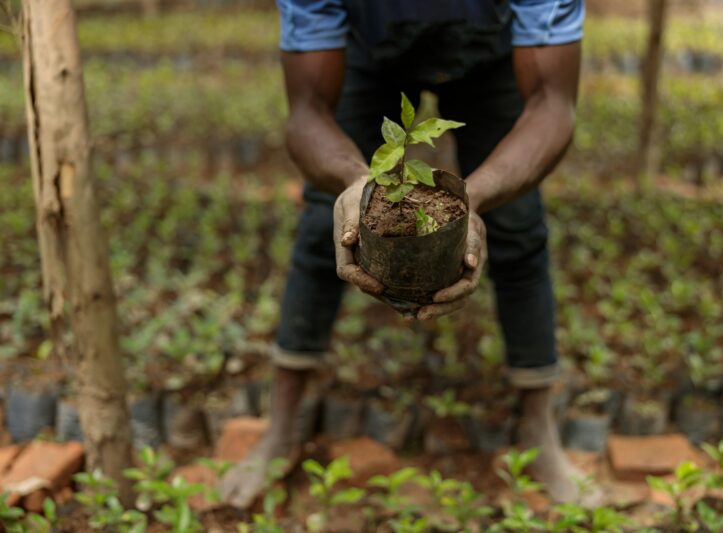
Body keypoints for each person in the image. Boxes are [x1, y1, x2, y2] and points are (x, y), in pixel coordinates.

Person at [221, 0, 591, 509]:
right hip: (367, 52)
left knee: (519, 226)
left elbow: (554, 105)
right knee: (323, 224)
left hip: (495, 51)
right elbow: (307, 110)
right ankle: (280, 427)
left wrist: (473, 199)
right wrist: (355, 182)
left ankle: (538, 428)